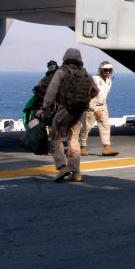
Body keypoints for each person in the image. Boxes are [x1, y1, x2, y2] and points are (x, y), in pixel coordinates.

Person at [37, 48, 99, 183]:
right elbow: (95, 91)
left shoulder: (61, 72)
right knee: (73, 140)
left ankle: (62, 166)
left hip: (64, 109)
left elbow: (51, 93)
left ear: (65, 57)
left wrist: (44, 108)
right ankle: (76, 172)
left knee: (55, 137)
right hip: (80, 111)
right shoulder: (85, 73)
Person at [79, 61, 119, 157]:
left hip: (103, 105)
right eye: (106, 70)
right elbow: (87, 96)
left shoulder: (109, 80)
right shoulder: (94, 80)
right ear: (101, 70)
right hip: (91, 107)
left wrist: (102, 107)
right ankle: (82, 146)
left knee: (106, 125)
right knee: (86, 128)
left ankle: (106, 147)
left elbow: (104, 95)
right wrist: (95, 109)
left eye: (110, 70)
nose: (108, 72)